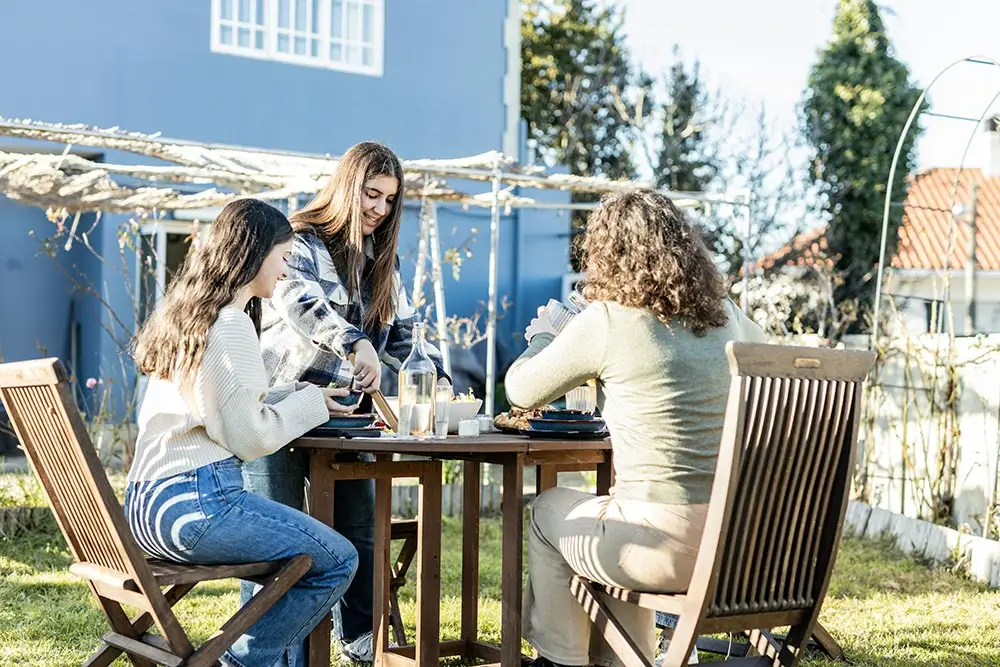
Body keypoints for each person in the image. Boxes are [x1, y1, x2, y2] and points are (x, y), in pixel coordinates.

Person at [505, 189, 766, 667]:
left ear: (608, 255)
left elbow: (521, 390)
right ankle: (628, 658)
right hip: (743, 550)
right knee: (614, 515)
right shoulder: (731, 318)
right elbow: (774, 365)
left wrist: (545, 332)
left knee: (549, 511)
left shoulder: (607, 321)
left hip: (662, 552)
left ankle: (560, 662)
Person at [125, 198, 361, 667]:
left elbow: (217, 405)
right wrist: (311, 404)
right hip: (197, 507)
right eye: (283, 255)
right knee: (337, 557)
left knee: (304, 553)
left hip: (150, 510)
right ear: (254, 254)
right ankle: (242, 660)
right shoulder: (232, 323)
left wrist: (291, 394)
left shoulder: (191, 318)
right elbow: (249, 439)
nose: (287, 267)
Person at [245, 141, 450, 662]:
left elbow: (405, 335)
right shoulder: (300, 240)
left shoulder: (383, 258)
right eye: (371, 193)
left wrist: (441, 380)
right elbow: (300, 303)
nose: (379, 208)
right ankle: (263, 652)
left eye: (389, 200)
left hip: (349, 420)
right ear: (347, 186)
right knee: (279, 543)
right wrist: (356, 341)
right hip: (282, 412)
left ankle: (361, 643)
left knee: (359, 531)